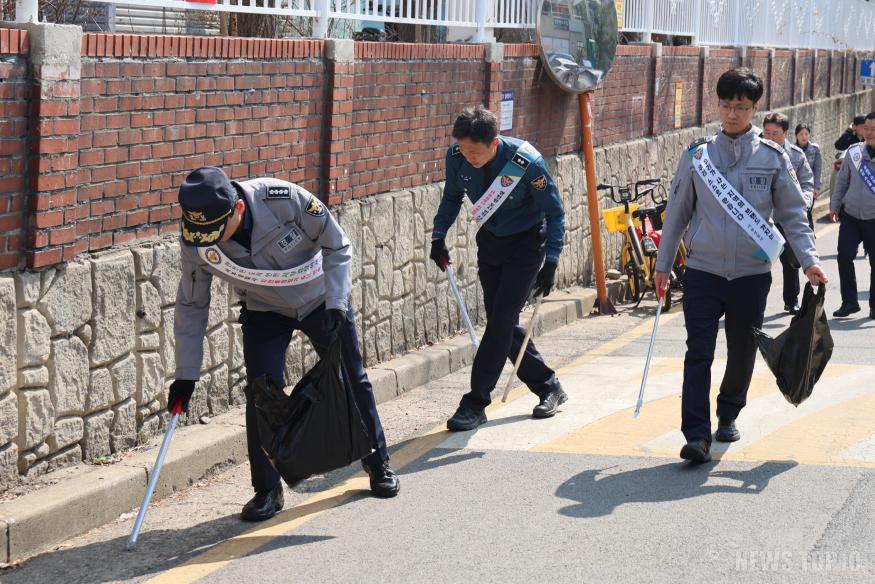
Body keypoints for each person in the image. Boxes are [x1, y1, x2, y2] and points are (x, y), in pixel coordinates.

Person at [168, 167, 400, 522]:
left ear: (238, 210)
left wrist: (337, 303)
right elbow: (192, 303)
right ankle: (266, 490)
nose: (208, 242)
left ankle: (377, 461)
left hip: (321, 299)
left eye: (216, 232)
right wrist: (186, 374)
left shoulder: (283, 199)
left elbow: (336, 246)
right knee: (262, 395)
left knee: (352, 378)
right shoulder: (196, 241)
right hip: (264, 309)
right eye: (200, 234)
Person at [654, 68, 828, 463]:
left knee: (742, 349)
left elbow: (793, 215)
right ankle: (696, 435)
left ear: (755, 108)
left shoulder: (771, 158)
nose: (733, 114)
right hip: (702, 271)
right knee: (697, 351)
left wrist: (809, 262)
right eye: (727, 105)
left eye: (742, 107)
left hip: (750, 275)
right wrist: (664, 264)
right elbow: (677, 213)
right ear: (717, 105)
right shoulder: (697, 156)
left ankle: (729, 412)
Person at [430, 106, 567, 431]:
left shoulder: (526, 163)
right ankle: (548, 385)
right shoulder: (457, 156)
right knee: (500, 324)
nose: (468, 157)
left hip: (527, 245)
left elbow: (555, 212)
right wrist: (438, 235)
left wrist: (551, 260)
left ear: (493, 143)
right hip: (490, 242)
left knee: (502, 320)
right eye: (463, 150)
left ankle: (475, 403)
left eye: (475, 152)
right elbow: (452, 197)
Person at [762, 112, 815, 314]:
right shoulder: (755, 152)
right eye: (766, 132)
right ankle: (754, 302)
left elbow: (807, 184)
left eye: (775, 133)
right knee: (760, 262)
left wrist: (805, 203)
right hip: (763, 219)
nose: (770, 137)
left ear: (785, 133)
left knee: (790, 262)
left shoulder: (796, 155)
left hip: (787, 219)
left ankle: (791, 300)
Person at [829, 111, 875, 319]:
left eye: (874, 129)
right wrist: (834, 205)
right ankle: (849, 302)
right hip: (851, 215)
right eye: (867, 128)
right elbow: (842, 181)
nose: (870, 132)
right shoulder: (854, 152)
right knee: (844, 256)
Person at [794, 123, 823, 202]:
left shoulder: (815, 149)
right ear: (796, 135)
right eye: (801, 134)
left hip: (810, 187)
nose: (804, 137)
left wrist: (817, 187)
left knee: (808, 211)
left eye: (806, 134)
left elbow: (818, 169)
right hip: (796, 187)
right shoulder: (791, 150)